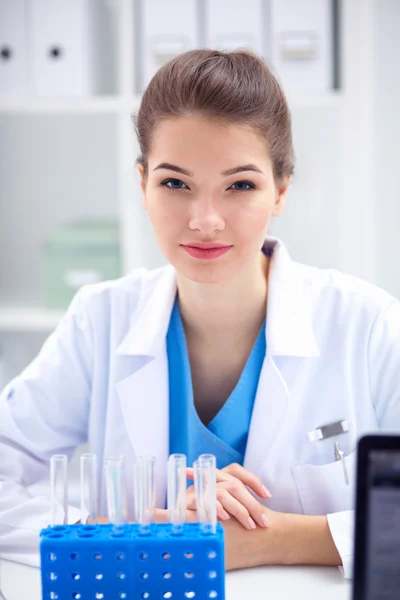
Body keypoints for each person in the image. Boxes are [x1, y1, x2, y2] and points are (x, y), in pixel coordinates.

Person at [1, 49, 399, 577]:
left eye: (240, 185)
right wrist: (132, 531)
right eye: (174, 183)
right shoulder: (100, 319)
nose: (205, 220)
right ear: (142, 184)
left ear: (281, 189)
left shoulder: (366, 323)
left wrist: (270, 540)